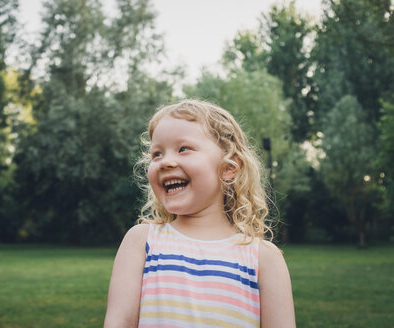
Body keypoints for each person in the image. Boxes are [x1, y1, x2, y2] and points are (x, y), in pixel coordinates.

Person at [104, 99, 295, 328]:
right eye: (157, 154)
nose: (165, 162)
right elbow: (119, 322)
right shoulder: (142, 241)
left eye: (183, 149)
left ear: (228, 168)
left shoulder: (263, 258)